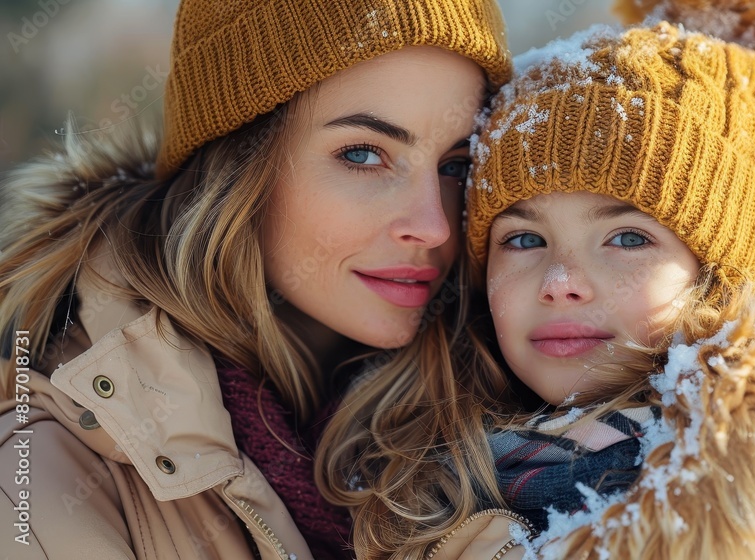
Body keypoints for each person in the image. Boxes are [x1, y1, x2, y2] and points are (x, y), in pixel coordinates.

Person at [323, 0, 755, 558]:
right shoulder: (399, 486)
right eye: (524, 239)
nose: (561, 281)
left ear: (720, 277)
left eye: (627, 239)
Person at [0, 0, 511, 558]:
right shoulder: (36, 490)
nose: (433, 226)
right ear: (237, 167)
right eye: (364, 154)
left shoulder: (530, 424)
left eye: (457, 165)